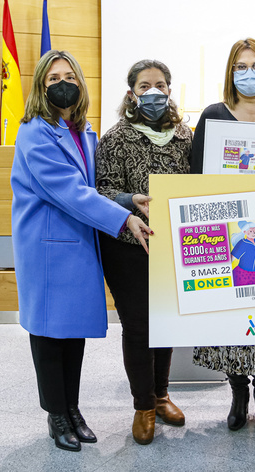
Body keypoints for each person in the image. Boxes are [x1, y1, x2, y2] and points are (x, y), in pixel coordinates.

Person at [11, 50, 152, 452]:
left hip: (76, 243)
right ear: (41, 87)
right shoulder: (35, 132)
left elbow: (91, 190)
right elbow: (68, 192)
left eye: (68, 75)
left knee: (72, 333)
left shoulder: (82, 130)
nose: (62, 83)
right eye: (52, 78)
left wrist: (125, 200)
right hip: (47, 246)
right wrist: (123, 219)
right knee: (49, 333)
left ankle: (72, 408)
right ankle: (56, 415)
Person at [190, 38, 255, 431]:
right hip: (228, 235)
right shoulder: (213, 116)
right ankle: (238, 392)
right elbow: (195, 179)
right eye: (241, 66)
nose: (249, 73)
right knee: (231, 319)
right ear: (230, 73)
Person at [95, 59, 191, 446]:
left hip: (173, 245)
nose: (154, 92)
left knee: (164, 322)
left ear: (170, 89)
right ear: (131, 91)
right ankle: (143, 406)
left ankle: (162, 395)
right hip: (127, 246)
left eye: (161, 85)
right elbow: (101, 191)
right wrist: (130, 201)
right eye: (145, 85)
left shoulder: (186, 135)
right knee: (138, 327)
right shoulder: (115, 137)